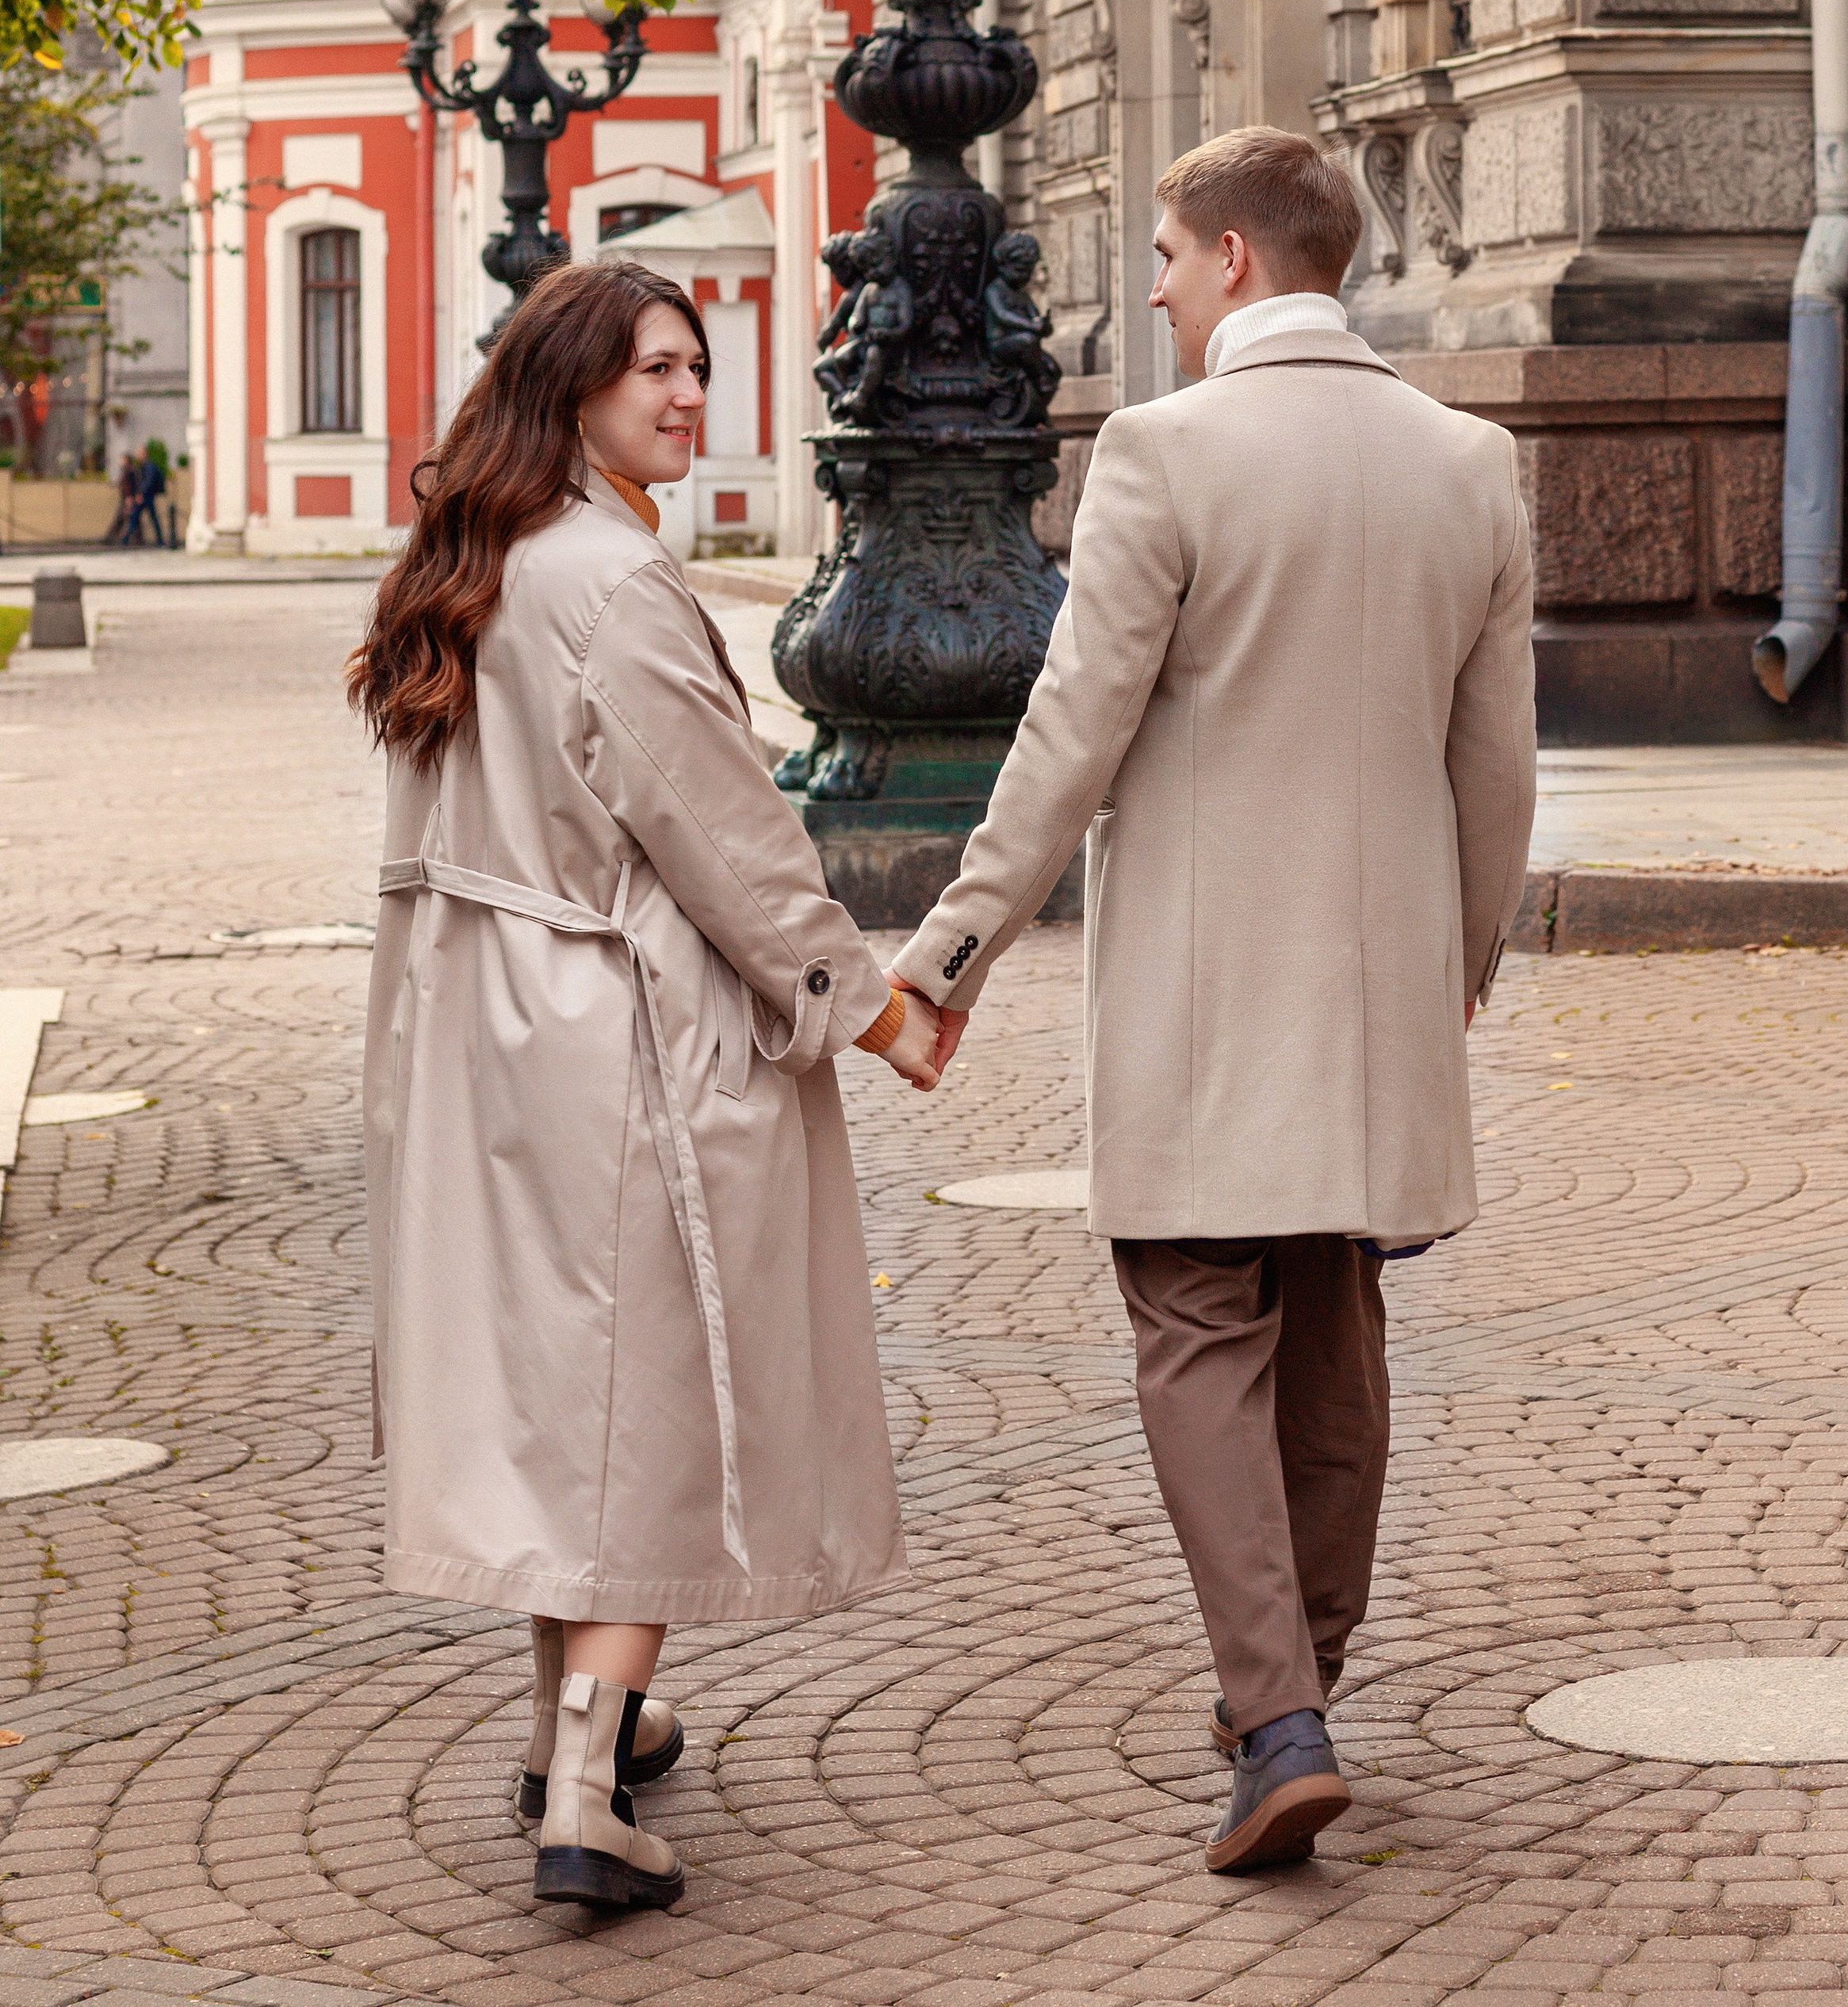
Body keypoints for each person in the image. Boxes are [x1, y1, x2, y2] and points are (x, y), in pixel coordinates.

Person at [885, 126, 1535, 1876]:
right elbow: (1496, 775)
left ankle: (1274, 1715)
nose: (1158, 289)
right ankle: (1297, 1672)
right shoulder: (1469, 465)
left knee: (1192, 1326)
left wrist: (951, 947)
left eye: (1169, 257)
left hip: (1199, 1001)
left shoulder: (1159, 457)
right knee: (1333, 1330)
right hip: (1381, 987)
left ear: (1234, 260)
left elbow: (1069, 736)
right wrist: (1452, 970)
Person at [348, 259, 944, 1917]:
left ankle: (573, 1730)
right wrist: (865, 1006)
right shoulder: (608, 582)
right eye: (651, 372)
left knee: (570, 1396)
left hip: (487, 1035)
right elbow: (729, 841)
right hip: (614, 1033)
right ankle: (590, 1796)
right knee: (648, 1395)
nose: (687, 395)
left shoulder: (475, 562)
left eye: (695, 365)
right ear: (571, 391)